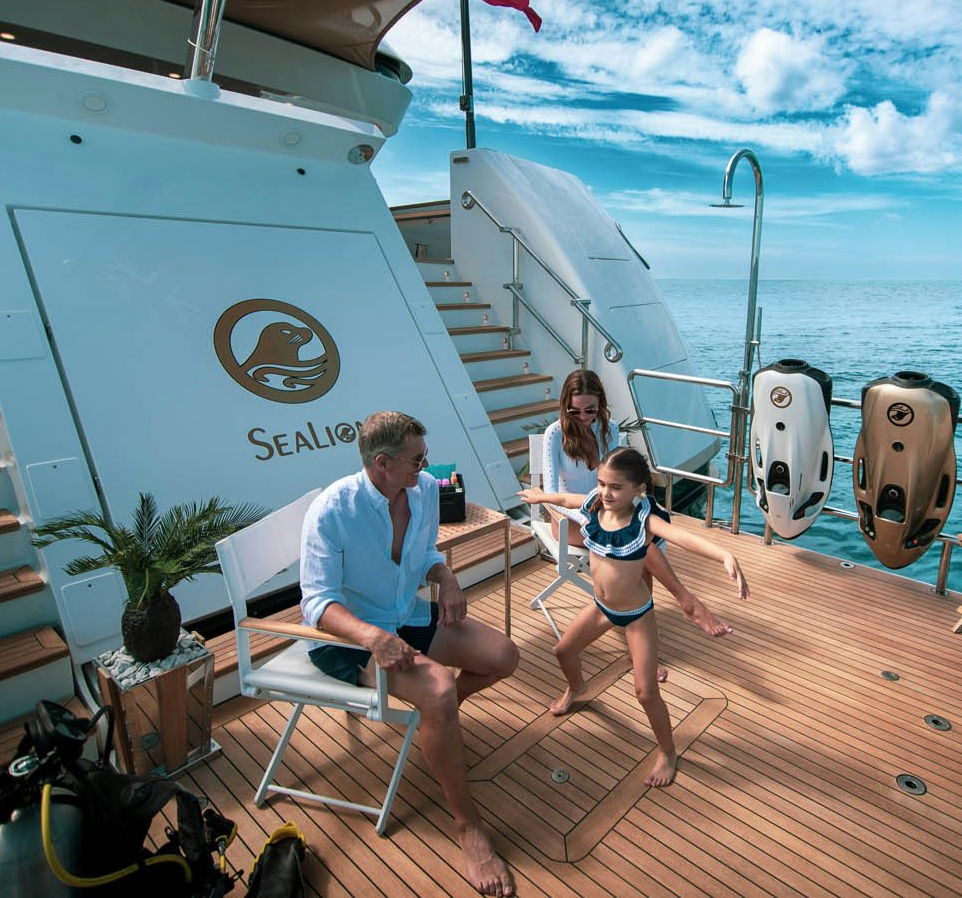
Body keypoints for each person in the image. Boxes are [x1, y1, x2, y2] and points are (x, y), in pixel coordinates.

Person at [300, 411, 520, 897]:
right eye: (417, 459)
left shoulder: (420, 493)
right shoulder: (333, 510)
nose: (426, 466)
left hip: (404, 616)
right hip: (347, 640)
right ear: (382, 463)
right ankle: (468, 827)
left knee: (503, 655)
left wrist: (446, 577)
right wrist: (371, 638)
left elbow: (425, 555)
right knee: (438, 686)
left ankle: (437, 723)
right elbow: (316, 603)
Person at [520, 447, 749, 787]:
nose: (605, 492)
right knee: (563, 652)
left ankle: (667, 752)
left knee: (645, 693)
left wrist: (724, 554)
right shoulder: (595, 505)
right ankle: (577, 687)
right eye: (601, 483)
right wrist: (542, 496)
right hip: (602, 608)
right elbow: (569, 500)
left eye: (615, 487)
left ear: (638, 489)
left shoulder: (643, 520)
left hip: (637, 615)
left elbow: (682, 537)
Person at [541, 370, 734, 653]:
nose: (583, 416)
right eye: (575, 409)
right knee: (638, 547)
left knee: (639, 546)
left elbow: (621, 477)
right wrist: (596, 521)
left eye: (590, 409)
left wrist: (622, 512)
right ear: (565, 404)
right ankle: (673, 611)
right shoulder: (555, 434)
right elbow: (553, 497)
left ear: (600, 404)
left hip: (608, 512)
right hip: (569, 518)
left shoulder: (610, 428)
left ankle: (644, 631)